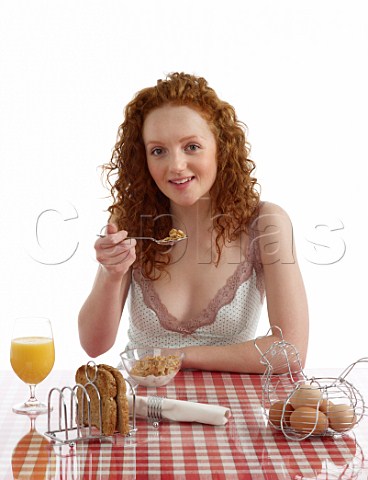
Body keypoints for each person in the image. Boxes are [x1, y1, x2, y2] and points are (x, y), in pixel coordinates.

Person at [78, 72, 309, 373]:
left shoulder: (266, 224)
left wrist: (177, 357)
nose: (175, 166)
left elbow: (289, 352)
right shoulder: (131, 222)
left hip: (231, 413)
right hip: (145, 410)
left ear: (221, 148)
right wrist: (111, 274)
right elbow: (94, 345)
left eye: (191, 147)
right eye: (158, 151)